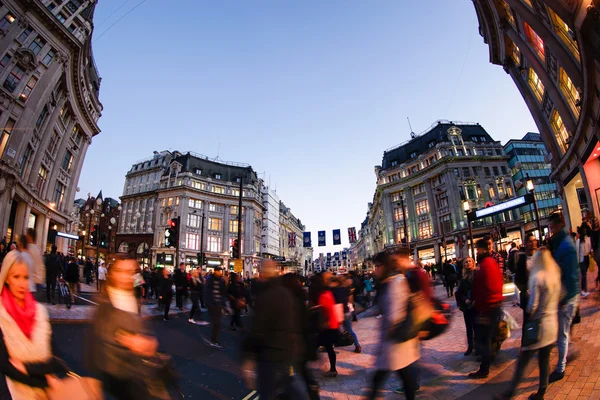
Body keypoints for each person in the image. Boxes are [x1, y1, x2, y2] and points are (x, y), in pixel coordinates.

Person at [86, 255, 161, 399]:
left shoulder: (131, 294)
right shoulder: (105, 302)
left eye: (132, 272)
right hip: (115, 379)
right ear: (113, 273)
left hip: (135, 377)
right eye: (121, 271)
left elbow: (140, 285)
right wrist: (130, 340)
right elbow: (102, 334)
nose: (127, 277)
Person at [495, 248, 560, 400]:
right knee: (544, 360)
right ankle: (541, 392)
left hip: (538, 326)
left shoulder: (538, 277)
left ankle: (509, 393)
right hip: (552, 325)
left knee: (523, 361)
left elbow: (532, 306)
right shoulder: (554, 275)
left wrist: (529, 297)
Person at [0, 249, 67, 398]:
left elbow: (54, 359)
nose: (22, 284)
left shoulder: (40, 312)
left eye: (25, 277)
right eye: (16, 277)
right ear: (6, 278)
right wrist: (45, 381)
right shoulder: (2, 314)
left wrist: (27, 368)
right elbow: (7, 367)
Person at [242, 262, 307, 399]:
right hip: (287, 349)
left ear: (264, 274)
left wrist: (248, 354)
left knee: (268, 392)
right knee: (287, 385)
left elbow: (258, 328)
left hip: (270, 353)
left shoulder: (266, 296)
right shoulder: (285, 292)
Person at [367, 249, 420, 400]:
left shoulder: (395, 283)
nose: (374, 270)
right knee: (405, 377)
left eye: (377, 266)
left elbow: (394, 315)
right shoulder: (389, 282)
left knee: (380, 379)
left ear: (384, 266)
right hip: (396, 341)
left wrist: (387, 336)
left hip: (396, 341)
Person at [548, 212, 580, 383]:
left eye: (552, 227)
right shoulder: (560, 243)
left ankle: (560, 367)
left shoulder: (565, 246)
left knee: (562, 333)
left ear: (559, 225)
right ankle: (568, 352)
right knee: (562, 332)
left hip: (566, 297)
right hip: (565, 295)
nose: (550, 230)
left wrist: (563, 298)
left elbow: (569, 275)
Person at [468, 239, 504, 379]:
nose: (476, 252)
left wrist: (482, 309)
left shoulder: (486, 265)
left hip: (487, 308)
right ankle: (485, 365)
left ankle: (484, 368)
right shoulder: (490, 263)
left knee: (483, 340)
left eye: (477, 250)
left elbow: (487, 288)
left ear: (481, 249)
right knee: (485, 339)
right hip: (491, 306)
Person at [308, 273, 340, 378]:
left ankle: (305, 367)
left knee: (315, 345)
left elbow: (324, 311)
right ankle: (332, 369)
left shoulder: (322, 296)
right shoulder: (328, 293)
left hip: (327, 327)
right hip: (332, 325)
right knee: (328, 348)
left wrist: (315, 309)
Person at [513, 234, 538, 345]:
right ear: (525, 243)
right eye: (529, 241)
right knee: (527, 321)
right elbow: (517, 279)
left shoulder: (540, 256)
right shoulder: (522, 259)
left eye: (534, 240)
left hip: (540, 294)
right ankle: (525, 344)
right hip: (527, 296)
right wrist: (524, 290)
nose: (532, 243)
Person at [455, 257, 476, 356]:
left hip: (475, 304)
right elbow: (460, 291)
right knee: (468, 326)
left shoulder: (476, 274)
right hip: (466, 305)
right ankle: (470, 346)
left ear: (473, 263)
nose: (468, 263)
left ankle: (477, 346)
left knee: (476, 327)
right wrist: (464, 299)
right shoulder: (463, 277)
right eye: (466, 262)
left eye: (469, 261)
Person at [205, 266, 227, 348]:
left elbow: (223, 292)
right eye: (219, 271)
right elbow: (207, 292)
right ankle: (213, 340)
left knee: (217, 323)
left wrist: (223, 304)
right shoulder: (210, 279)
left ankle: (214, 339)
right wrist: (208, 303)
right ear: (216, 271)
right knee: (216, 323)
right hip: (213, 304)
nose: (221, 272)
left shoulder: (221, 280)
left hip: (218, 304)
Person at [576, 224, 592, 298]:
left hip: (587, 258)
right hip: (582, 259)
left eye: (586, 230)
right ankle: (584, 290)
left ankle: (583, 289)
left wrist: (591, 251)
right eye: (584, 230)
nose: (585, 231)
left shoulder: (588, 238)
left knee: (585, 274)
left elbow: (590, 247)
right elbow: (577, 251)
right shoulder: (579, 241)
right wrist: (578, 261)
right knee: (584, 274)